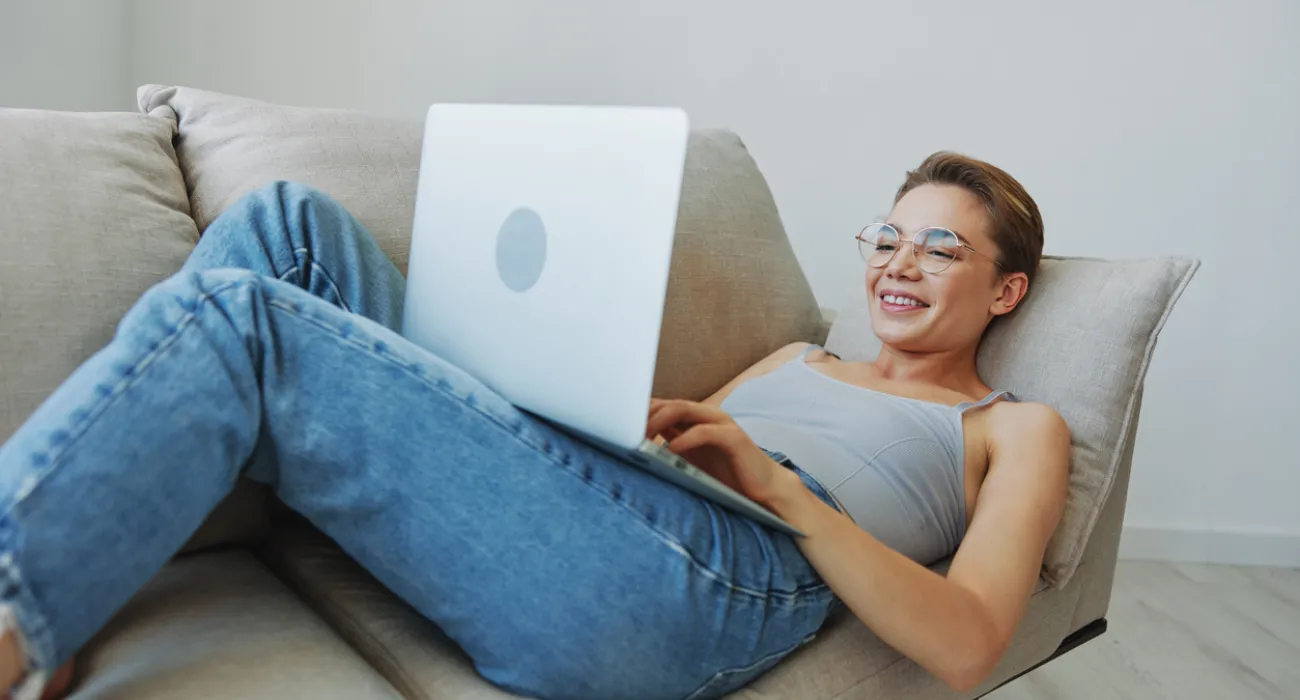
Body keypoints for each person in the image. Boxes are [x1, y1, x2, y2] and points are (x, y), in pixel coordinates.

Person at [0, 152, 1069, 700]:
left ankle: (18, 606)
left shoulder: (1012, 428)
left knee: (237, 317)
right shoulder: (800, 358)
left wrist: (780, 489)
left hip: (734, 572)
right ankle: (72, 560)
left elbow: (970, 643)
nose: (897, 263)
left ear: (1007, 292)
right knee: (287, 226)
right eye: (889, 237)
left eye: (938, 249)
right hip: (629, 510)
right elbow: (648, 464)